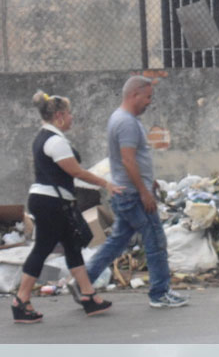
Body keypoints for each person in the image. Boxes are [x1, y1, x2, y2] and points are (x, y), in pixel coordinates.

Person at [11, 90, 118, 323]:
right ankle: (21, 299)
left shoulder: (46, 136)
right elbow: (76, 171)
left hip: (53, 201)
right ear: (59, 115)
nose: (72, 118)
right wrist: (105, 183)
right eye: (69, 114)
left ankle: (88, 296)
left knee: (72, 247)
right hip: (51, 202)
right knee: (42, 248)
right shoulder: (55, 141)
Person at [85, 76, 188, 310]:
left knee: (116, 243)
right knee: (156, 241)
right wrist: (143, 191)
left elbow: (128, 161)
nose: (150, 102)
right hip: (132, 194)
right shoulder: (127, 123)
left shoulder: (119, 118)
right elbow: (128, 160)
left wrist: (148, 183)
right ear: (134, 95)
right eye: (148, 97)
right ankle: (159, 293)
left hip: (127, 192)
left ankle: (83, 282)